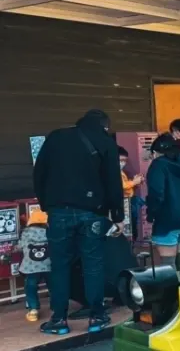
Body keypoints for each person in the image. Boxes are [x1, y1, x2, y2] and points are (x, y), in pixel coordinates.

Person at [32, 109, 123, 335]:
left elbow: (39, 172)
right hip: (92, 213)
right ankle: (97, 316)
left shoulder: (56, 137)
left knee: (60, 266)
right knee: (93, 264)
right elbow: (113, 181)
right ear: (103, 125)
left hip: (58, 212)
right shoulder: (105, 142)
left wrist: (46, 205)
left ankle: (59, 320)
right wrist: (117, 216)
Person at [145, 134, 180, 266]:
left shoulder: (158, 165)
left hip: (166, 219)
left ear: (155, 153)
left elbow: (156, 194)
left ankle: (171, 287)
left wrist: (151, 215)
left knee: (168, 264)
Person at [15, 209, 51, 322]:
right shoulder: (50, 232)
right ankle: (56, 307)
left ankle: (33, 310)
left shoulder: (26, 233)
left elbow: (19, 247)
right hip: (48, 266)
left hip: (31, 268)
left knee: (31, 287)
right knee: (53, 286)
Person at [118, 147, 143, 239]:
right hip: (124, 202)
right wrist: (134, 182)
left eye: (125, 160)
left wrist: (135, 181)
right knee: (127, 228)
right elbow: (123, 185)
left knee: (132, 226)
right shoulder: (114, 172)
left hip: (129, 201)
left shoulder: (121, 172)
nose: (123, 163)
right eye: (121, 160)